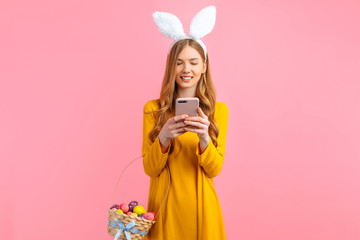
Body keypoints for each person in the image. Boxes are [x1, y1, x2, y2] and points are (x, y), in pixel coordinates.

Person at [142, 6, 228, 240]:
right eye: (179, 62)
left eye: (193, 61)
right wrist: (164, 137)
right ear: (171, 66)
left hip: (203, 210)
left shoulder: (218, 111)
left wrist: (203, 139)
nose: (186, 69)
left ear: (204, 66)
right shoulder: (153, 110)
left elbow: (214, 170)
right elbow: (149, 169)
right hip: (164, 210)